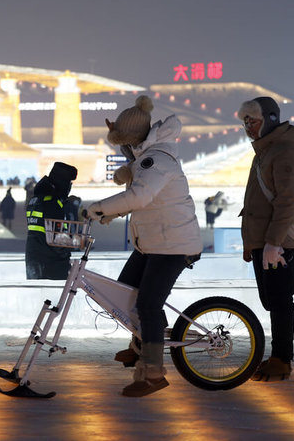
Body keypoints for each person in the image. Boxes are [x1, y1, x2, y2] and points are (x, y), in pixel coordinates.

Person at [87, 95, 202, 397]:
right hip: (154, 242)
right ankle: (140, 345)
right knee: (126, 290)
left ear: (133, 139)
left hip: (173, 245)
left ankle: (152, 373)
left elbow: (140, 196)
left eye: (122, 142)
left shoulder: (156, 161)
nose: (121, 149)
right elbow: (145, 200)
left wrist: (99, 207)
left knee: (148, 304)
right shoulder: (144, 159)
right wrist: (113, 212)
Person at [238, 96, 294, 382]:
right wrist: (251, 243)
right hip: (263, 242)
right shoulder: (264, 152)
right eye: (244, 122)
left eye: (252, 121)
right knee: (271, 300)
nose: (247, 128)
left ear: (269, 119)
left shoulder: (284, 152)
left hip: (276, 244)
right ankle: (279, 356)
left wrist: (273, 243)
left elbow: (287, 202)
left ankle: (282, 359)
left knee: (280, 300)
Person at [25, 162, 78, 280]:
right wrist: (70, 247)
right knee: (55, 298)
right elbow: (57, 239)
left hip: (33, 260)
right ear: (62, 182)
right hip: (51, 266)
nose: (69, 186)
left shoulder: (36, 199)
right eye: (69, 182)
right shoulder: (53, 203)